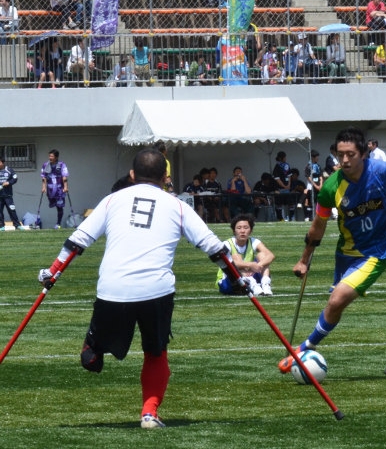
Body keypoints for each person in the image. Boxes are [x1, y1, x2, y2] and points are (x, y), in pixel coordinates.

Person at [36, 148, 241, 429]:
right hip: (157, 292)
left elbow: (78, 240)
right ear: (166, 177)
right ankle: (149, 413)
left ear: (132, 175)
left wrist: (53, 272)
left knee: (92, 358)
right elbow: (214, 248)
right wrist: (238, 280)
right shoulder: (179, 206)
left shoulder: (112, 200)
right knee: (156, 353)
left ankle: (93, 349)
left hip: (112, 289)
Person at [278, 126, 386, 374]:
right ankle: (306, 349)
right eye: (340, 154)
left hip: (376, 252)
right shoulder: (331, 187)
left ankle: (302, 349)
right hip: (345, 253)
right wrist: (303, 260)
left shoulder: (383, 172)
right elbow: (317, 227)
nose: (344, 160)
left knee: (336, 300)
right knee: (335, 305)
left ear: (363, 153)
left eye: (350, 154)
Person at [216, 213, 275, 296]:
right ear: (234, 231)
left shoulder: (254, 241)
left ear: (251, 230)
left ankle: (265, 284)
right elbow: (229, 263)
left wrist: (258, 265)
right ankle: (252, 283)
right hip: (230, 281)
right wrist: (250, 265)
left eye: (246, 228)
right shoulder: (227, 244)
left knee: (262, 255)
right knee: (236, 256)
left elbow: (270, 255)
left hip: (250, 275)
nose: (242, 231)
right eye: (239, 228)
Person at [41, 149, 69, 229]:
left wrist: (66, 187)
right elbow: (44, 177)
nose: (50, 157)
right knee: (53, 204)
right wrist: (43, 187)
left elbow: (65, 177)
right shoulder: (45, 165)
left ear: (56, 157)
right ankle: (57, 223)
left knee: (59, 206)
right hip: (50, 189)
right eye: (49, 156)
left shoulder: (61, 164)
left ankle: (58, 224)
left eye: (52, 156)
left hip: (59, 189)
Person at [0, 156, 26, 231]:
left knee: (12, 210)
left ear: (2, 162)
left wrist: (8, 182)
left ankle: (17, 225)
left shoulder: (9, 170)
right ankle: (1, 226)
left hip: (8, 195)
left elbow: (15, 178)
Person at [304, 149, 323, 220]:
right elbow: (308, 177)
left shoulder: (318, 166)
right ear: (312, 157)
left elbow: (320, 176)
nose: (318, 158)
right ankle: (309, 217)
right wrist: (315, 185)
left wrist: (320, 185)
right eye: (316, 157)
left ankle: (319, 215)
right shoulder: (308, 166)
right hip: (311, 186)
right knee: (310, 201)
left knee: (318, 201)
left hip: (318, 186)